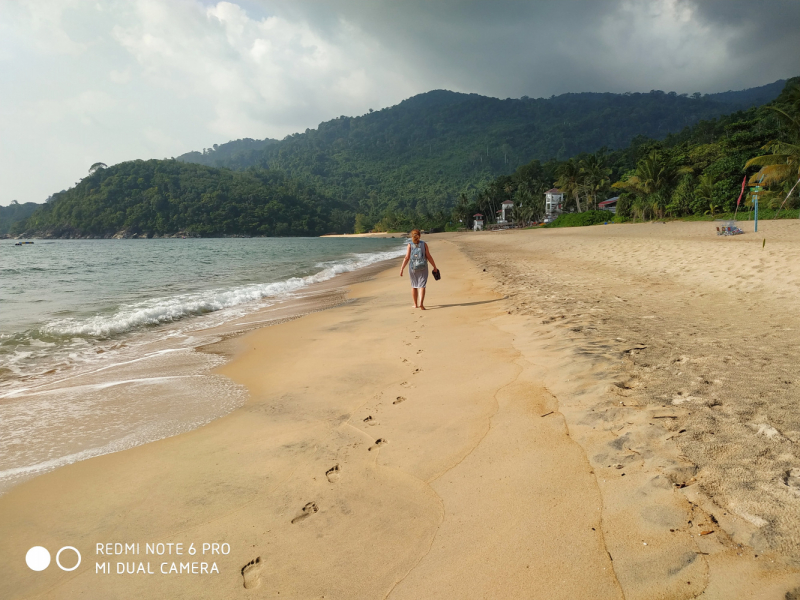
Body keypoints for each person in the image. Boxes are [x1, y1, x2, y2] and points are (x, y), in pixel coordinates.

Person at [399, 229, 438, 309]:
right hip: (423, 267)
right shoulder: (424, 244)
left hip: (413, 267)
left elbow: (406, 258)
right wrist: (434, 266)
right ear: (419, 236)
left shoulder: (409, 245)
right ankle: (421, 303)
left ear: (411, 236)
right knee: (422, 285)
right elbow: (429, 256)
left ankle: (415, 304)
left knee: (414, 285)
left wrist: (402, 268)